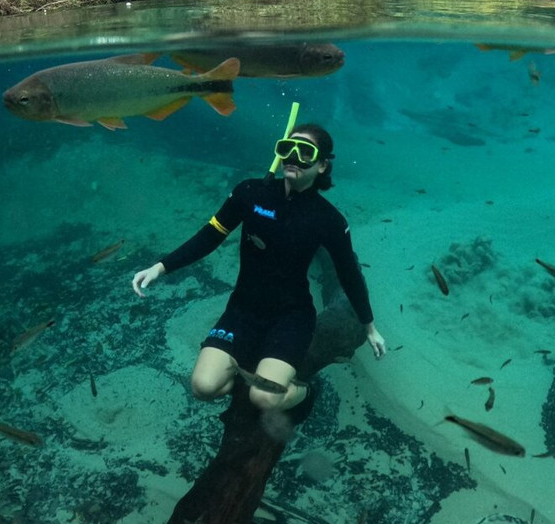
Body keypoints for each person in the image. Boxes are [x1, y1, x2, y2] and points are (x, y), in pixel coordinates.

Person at [131, 123, 385, 414]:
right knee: (203, 388)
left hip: (291, 318)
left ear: (323, 166)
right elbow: (210, 236)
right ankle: (250, 377)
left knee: (264, 399)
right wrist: (160, 267)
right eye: (287, 148)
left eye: (305, 152)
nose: (293, 157)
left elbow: (349, 276)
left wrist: (369, 327)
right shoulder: (250, 193)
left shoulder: (330, 220)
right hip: (242, 311)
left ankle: (304, 393)